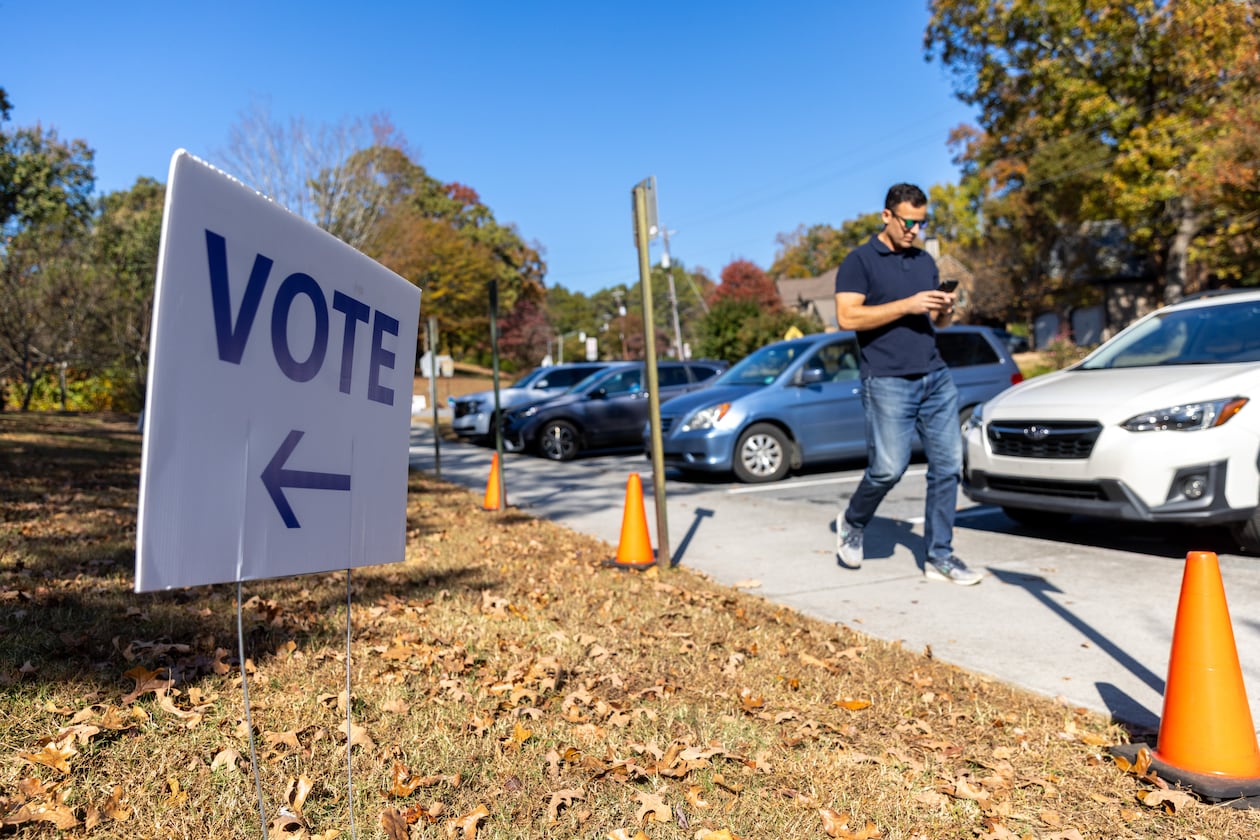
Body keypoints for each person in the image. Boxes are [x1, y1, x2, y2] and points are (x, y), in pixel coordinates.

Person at [832, 183, 981, 585]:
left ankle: (940, 555)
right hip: (886, 381)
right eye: (908, 221)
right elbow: (848, 318)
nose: (914, 229)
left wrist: (945, 309)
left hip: (934, 376)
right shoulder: (858, 261)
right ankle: (852, 521)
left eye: (921, 222)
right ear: (887, 216)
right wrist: (908, 305)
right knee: (887, 469)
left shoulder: (924, 262)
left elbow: (937, 323)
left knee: (948, 465)